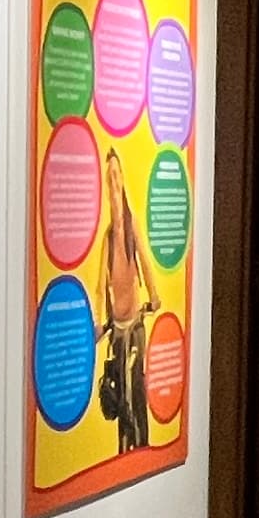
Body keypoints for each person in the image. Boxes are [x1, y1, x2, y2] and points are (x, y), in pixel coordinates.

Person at [97, 145, 156, 452]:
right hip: (116, 329)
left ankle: (142, 443)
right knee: (120, 391)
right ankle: (125, 445)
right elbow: (99, 286)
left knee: (137, 382)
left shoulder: (132, 229)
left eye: (117, 176)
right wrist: (98, 322)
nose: (114, 183)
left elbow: (145, 262)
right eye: (109, 179)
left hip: (135, 322)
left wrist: (155, 296)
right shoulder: (108, 238)